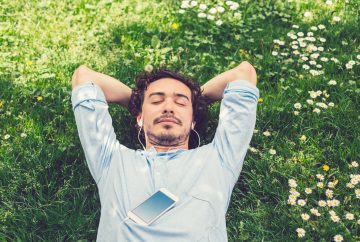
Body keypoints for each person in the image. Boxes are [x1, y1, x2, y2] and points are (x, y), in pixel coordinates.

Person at [71, 61, 258, 241]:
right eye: (157, 101)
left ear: (193, 121)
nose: (168, 108)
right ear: (140, 118)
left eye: (180, 103)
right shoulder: (111, 160)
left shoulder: (220, 158)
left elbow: (243, 74)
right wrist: (137, 103)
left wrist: (197, 100)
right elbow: (84, 78)